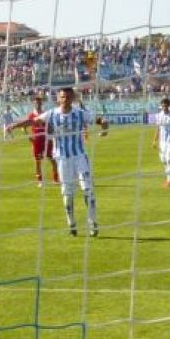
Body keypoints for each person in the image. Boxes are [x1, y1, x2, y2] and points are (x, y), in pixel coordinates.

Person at [44, 86, 100, 237]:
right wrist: (13, 125)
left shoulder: (80, 113)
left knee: (88, 190)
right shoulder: (51, 114)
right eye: (63, 97)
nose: (65, 100)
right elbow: (33, 120)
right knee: (68, 194)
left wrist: (104, 122)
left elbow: (96, 119)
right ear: (58, 98)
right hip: (62, 159)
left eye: (68, 97)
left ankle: (93, 223)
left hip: (80, 156)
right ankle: (72, 223)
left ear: (73, 98)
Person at [2, 93, 58, 186]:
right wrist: (28, 137)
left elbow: (51, 127)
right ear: (33, 103)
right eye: (36, 102)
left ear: (41, 103)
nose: (37, 103)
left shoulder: (46, 114)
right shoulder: (31, 115)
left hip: (47, 140)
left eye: (39, 102)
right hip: (37, 141)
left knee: (52, 159)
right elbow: (24, 127)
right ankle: (40, 181)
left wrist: (51, 135)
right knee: (37, 161)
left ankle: (55, 179)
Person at [151, 97, 170, 187]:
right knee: (163, 160)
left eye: (166, 105)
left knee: (169, 159)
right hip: (162, 142)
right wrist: (154, 140)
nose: (164, 107)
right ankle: (169, 176)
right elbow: (158, 128)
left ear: (169, 105)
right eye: (163, 105)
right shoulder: (158, 115)